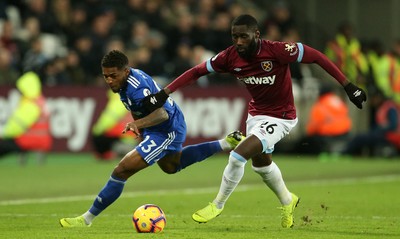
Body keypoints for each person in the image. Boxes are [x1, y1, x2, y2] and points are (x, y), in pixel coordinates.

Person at [141, 14, 367, 228]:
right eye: (234, 36)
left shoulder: (277, 50)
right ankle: (288, 200)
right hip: (256, 115)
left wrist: (348, 85)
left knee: (238, 154)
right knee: (261, 165)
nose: (238, 41)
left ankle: (217, 204)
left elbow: (316, 56)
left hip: (282, 116)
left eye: (243, 36)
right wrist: (164, 93)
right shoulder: (229, 57)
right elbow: (196, 72)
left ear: (256, 35)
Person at [59, 50, 244, 227]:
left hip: (166, 128)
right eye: (105, 76)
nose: (109, 80)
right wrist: (141, 125)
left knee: (121, 170)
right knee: (171, 166)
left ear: (126, 71)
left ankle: (86, 219)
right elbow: (139, 107)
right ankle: (226, 143)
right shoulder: (124, 83)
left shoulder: (135, 87)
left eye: (113, 75)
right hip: (163, 125)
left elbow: (161, 114)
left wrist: (137, 125)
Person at [0, 71, 52, 163]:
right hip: (43, 141)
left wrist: (3, 133)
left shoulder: (30, 105)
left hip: (27, 140)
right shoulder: (41, 101)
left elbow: (17, 126)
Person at [295, 84, 352, 155]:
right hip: (345, 133)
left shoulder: (320, 105)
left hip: (328, 135)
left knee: (305, 141)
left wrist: (308, 135)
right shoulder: (339, 101)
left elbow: (313, 128)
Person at [341, 89, 400, 157]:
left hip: (391, 135)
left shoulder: (389, 107)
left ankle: (344, 153)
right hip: (385, 134)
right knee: (361, 137)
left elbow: (393, 125)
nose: (372, 101)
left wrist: (380, 130)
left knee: (359, 138)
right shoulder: (382, 107)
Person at [91, 89, 136, 160]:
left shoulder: (114, 102)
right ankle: (110, 153)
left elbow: (99, 129)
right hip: (122, 138)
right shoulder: (127, 102)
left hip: (106, 135)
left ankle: (104, 153)